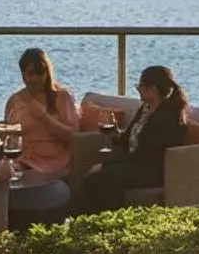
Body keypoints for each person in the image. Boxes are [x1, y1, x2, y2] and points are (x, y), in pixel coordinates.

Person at [80, 65, 189, 212]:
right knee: (95, 180)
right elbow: (127, 139)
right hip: (135, 164)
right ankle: (80, 219)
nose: (138, 89)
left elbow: (148, 154)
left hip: (153, 170)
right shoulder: (144, 109)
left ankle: (108, 219)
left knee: (108, 174)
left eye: (141, 86)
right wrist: (114, 132)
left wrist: (106, 165)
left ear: (153, 89)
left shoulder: (167, 117)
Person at [4, 48, 80, 180]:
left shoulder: (62, 97)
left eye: (40, 73)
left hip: (54, 162)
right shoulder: (15, 100)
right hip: (23, 161)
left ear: (48, 72)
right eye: (31, 73)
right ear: (23, 75)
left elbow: (73, 137)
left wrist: (43, 117)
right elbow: (8, 138)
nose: (36, 78)